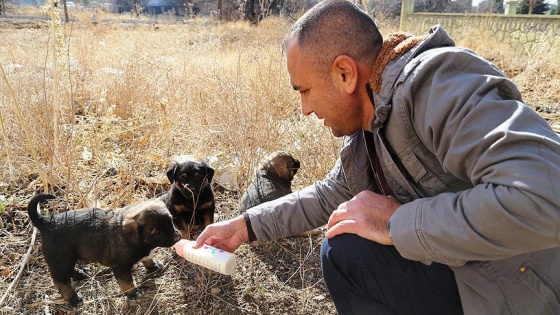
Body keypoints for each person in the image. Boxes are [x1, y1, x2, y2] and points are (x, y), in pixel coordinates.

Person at [195, 0, 560, 314]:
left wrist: (396, 222)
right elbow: (325, 197)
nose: (305, 109)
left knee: (346, 248)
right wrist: (242, 227)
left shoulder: (436, 84)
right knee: (345, 249)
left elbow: (545, 195)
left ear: (344, 73)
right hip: (465, 278)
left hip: (522, 294)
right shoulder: (367, 132)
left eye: (305, 90)